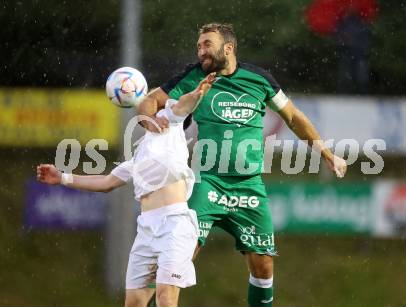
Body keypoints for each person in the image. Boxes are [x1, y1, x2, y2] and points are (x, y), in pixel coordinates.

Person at [138, 23, 347, 307]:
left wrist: (326, 152)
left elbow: (293, 117)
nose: (201, 51)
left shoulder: (259, 79)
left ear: (228, 48)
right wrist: (148, 121)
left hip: (249, 186)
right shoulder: (195, 76)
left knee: (263, 269)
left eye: (207, 44)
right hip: (206, 182)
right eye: (198, 46)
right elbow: (151, 100)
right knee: (178, 259)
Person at [36, 73, 215, 307]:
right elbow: (106, 183)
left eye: (150, 99)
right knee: (134, 303)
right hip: (146, 229)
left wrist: (197, 94)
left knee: (165, 298)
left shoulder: (169, 122)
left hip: (175, 225)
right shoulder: (139, 153)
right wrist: (62, 178)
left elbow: (184, 104)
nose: (145, 102)